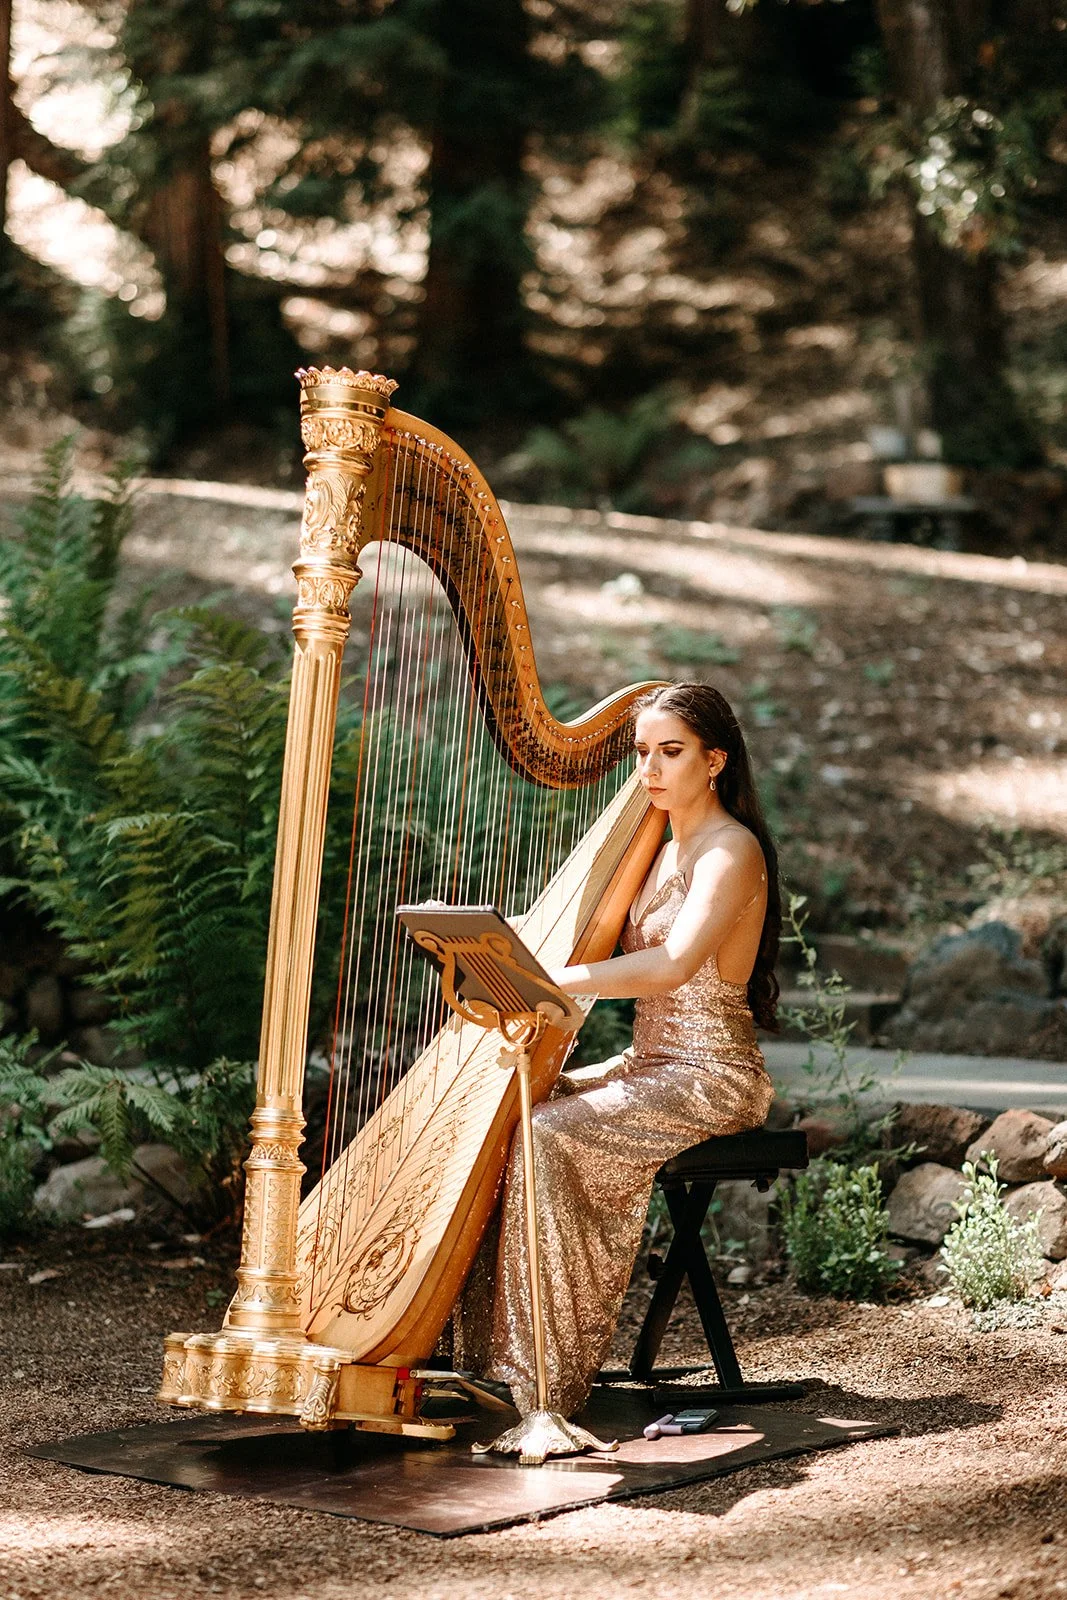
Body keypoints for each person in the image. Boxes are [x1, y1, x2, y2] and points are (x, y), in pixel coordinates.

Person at [487, 681, 780, 1418]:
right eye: (642, 753)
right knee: (510, 1102)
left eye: (670, 752)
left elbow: (675, 964)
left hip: (711, 1075)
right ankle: (481, 1359)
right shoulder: (651, 847)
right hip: (649, 1066)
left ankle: (543, 1382)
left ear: (714, 760)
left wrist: (548, 977)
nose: (650, 769)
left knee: (547, 1135)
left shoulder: (728, 852)